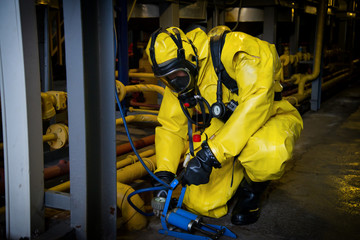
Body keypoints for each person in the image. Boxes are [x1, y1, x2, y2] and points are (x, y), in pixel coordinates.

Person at [145, 26, 303, 225]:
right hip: (226, 124)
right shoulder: (178, 76)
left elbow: (256, 104)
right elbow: (171, 126)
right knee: (201, 204)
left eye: (177, 74)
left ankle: (252, 190)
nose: (175, 82)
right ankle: (236, 172)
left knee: (266, 151)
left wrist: (211, 154)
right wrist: (164, 173)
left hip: (268, 117)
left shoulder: (238, 49)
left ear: (190, 60)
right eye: (168, 78)